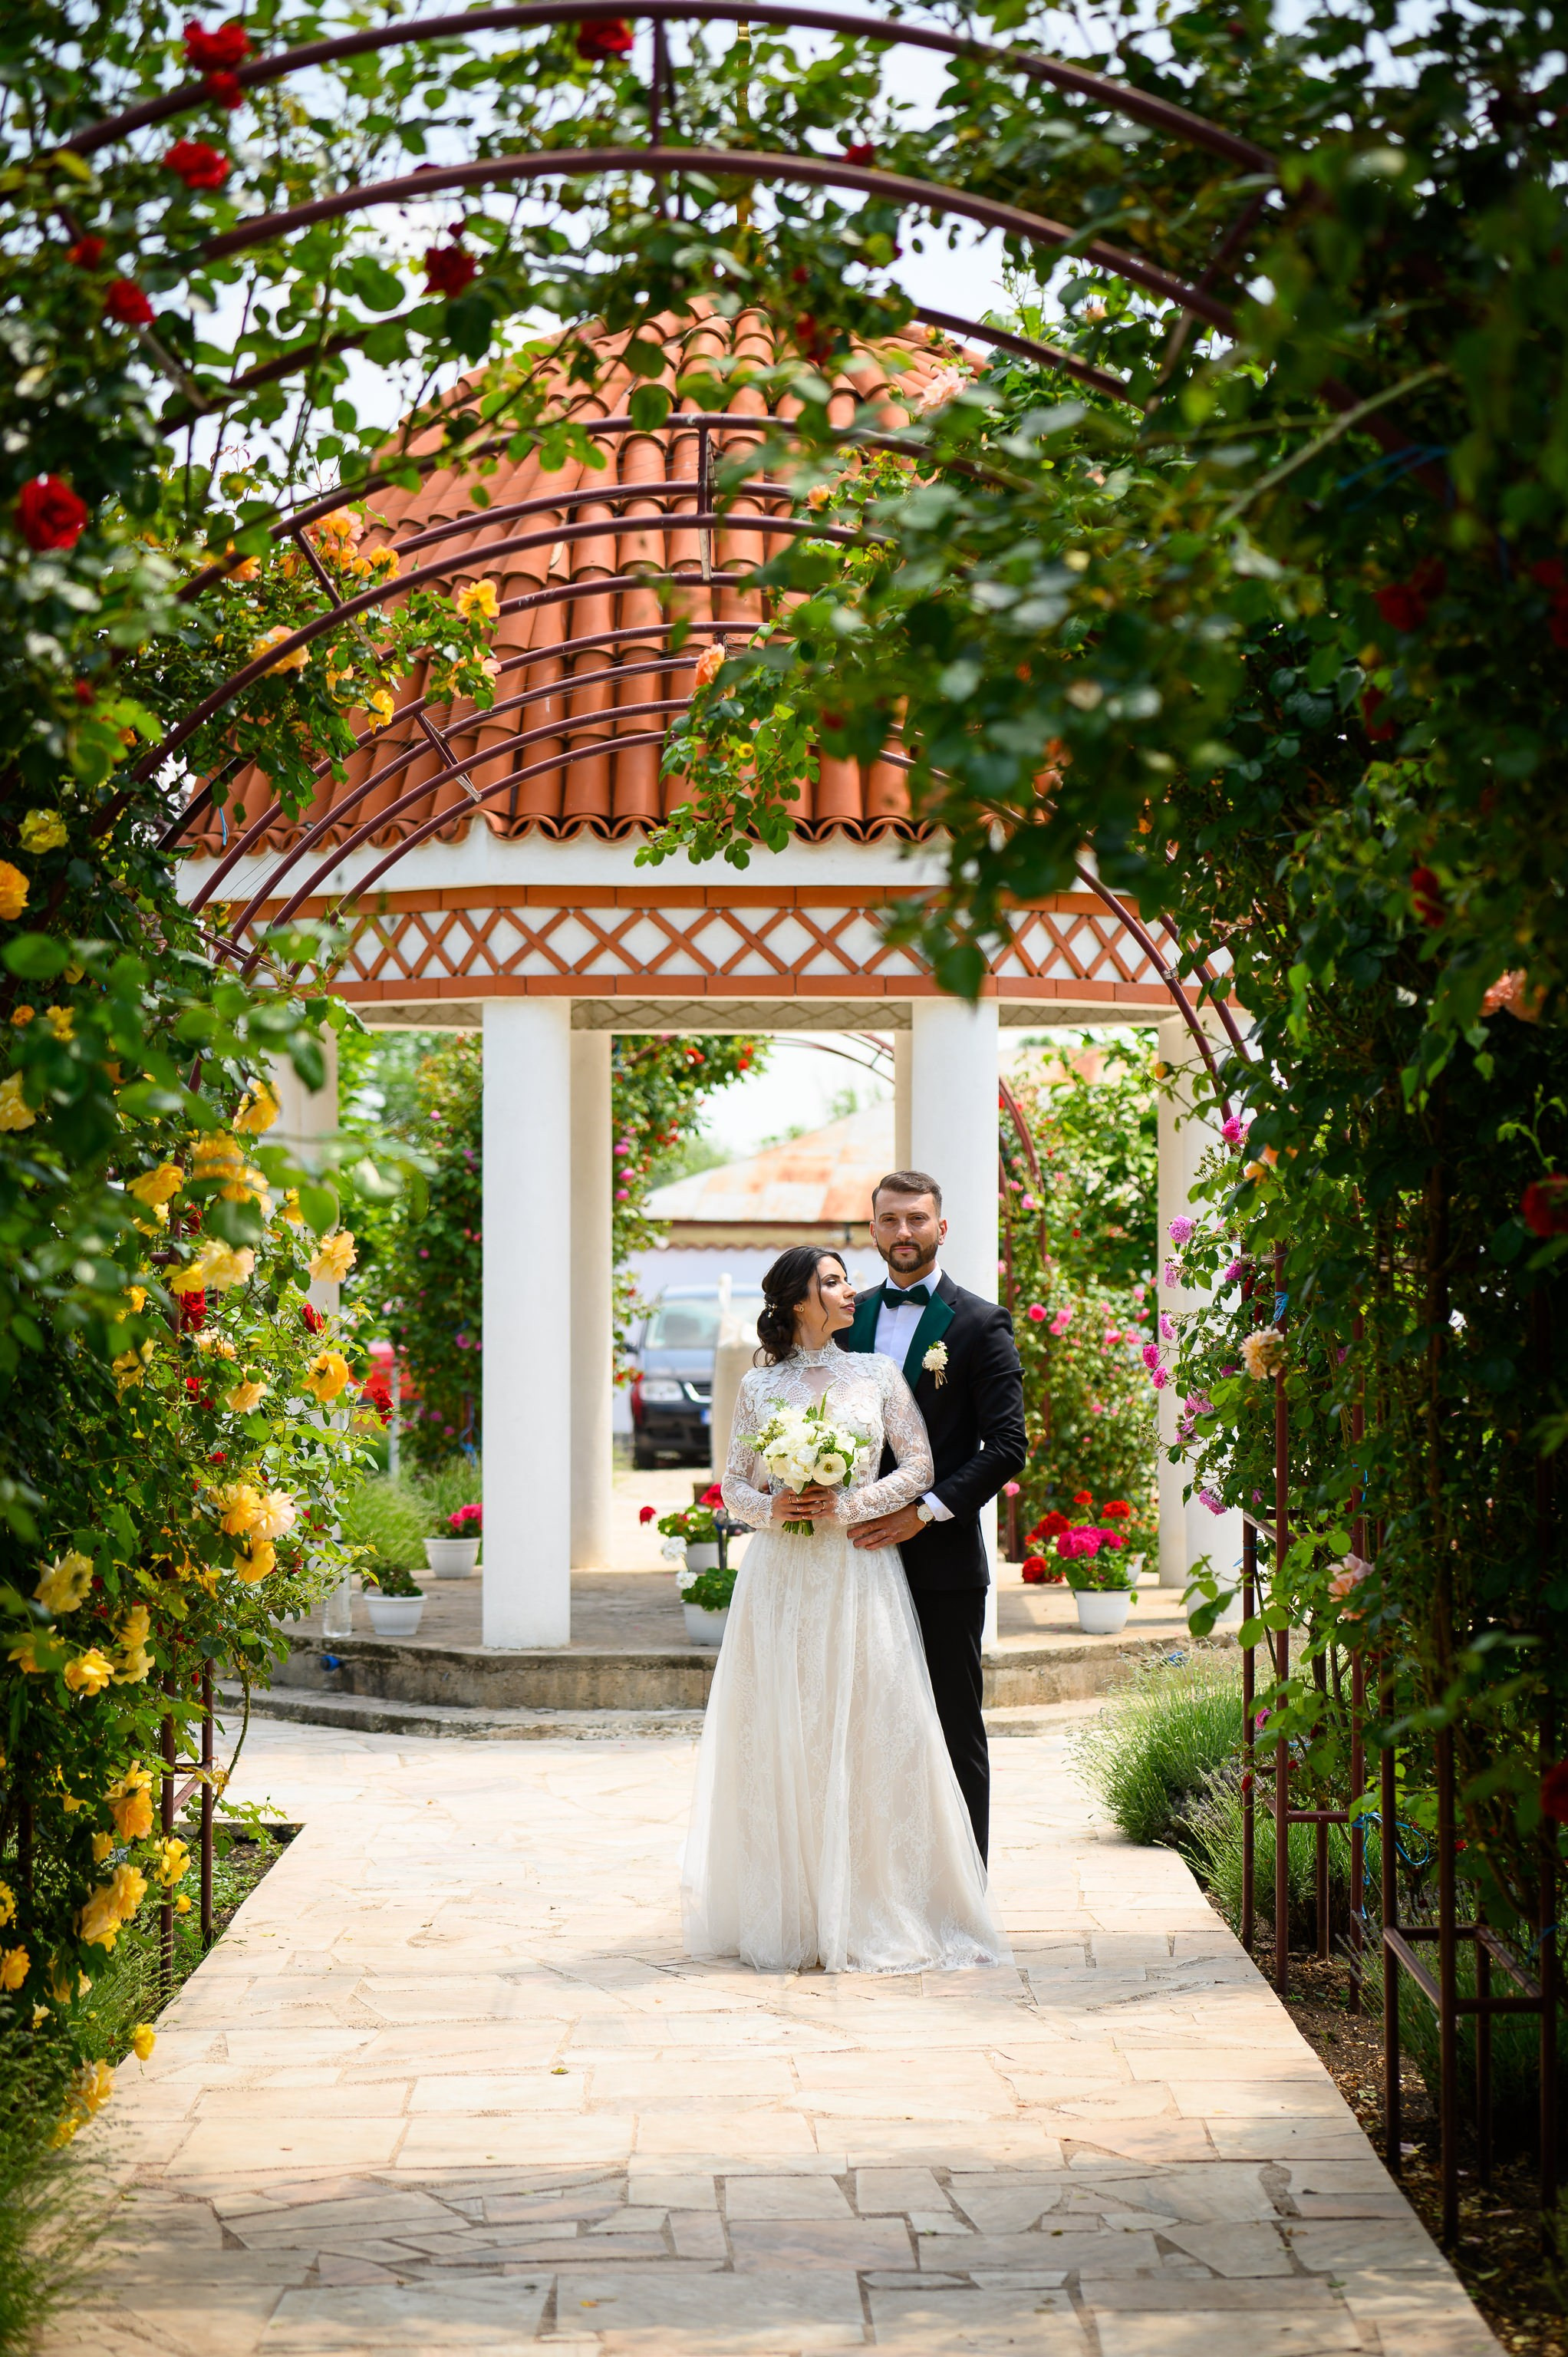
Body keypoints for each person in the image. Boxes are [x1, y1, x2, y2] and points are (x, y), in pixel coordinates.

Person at [681, 1244, 1010, 1975]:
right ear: (800, 1301)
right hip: (781, 1578)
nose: (848, 1289)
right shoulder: (758, 1386)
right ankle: (793, 1910)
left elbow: (920, 1465)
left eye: (844, 1279)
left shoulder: (877, 1373)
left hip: (859, 1571)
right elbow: (733, 1484)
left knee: (866, 1725)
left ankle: (869, 1902)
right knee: (785, 1727)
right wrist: (773, 1507)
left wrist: (850, 1505)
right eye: (831, 1282)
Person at [837, 1170, 1027, 1864]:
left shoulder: (979, 1323)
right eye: (890, 1220)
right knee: (858, 1724)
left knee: (952, 1727)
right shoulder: (843, 1317)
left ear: (940, 1228)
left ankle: (964, 1888)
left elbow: (1007, 1446)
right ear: (873, 1229)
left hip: (941, 1563)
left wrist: (923, 1513)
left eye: (916, 1219)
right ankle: (872, 1879)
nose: (904, 1232)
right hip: (848, 1557)